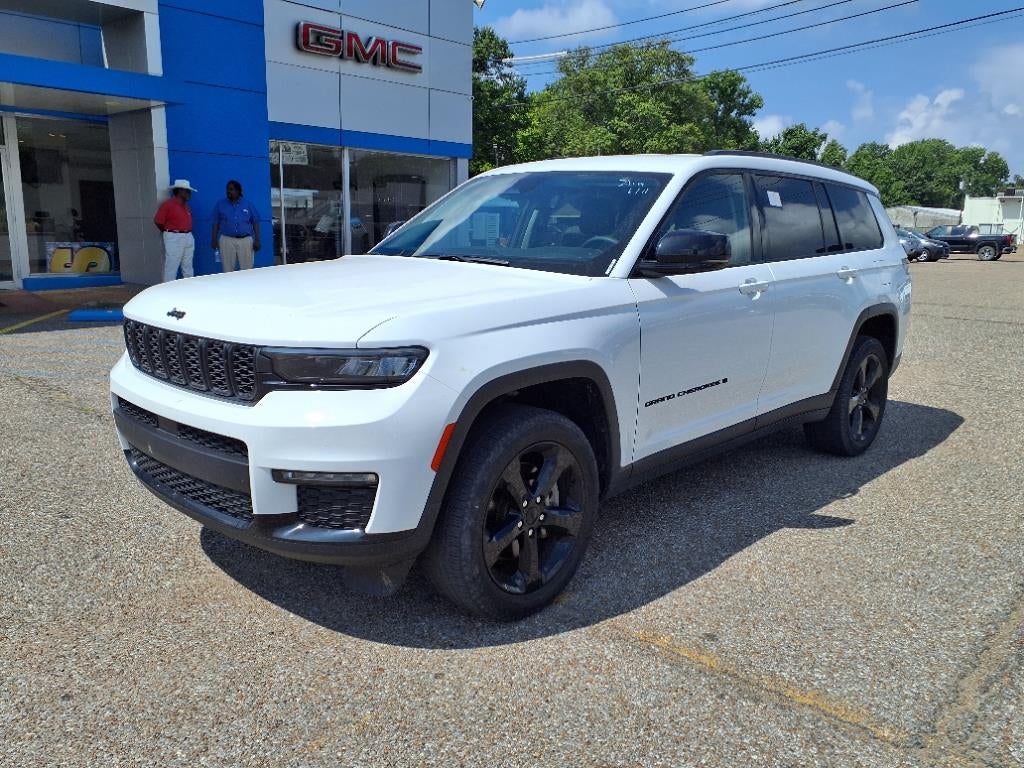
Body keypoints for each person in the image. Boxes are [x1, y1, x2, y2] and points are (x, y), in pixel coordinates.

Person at [211, 180, 261, 272]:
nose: (228, 192)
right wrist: (214, 239)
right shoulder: (220, 204)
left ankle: (245, 286)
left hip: (245, 240)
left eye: (231, 189)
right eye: (227, 189)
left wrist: (257, 239)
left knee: (247, 270)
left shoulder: (248, 204)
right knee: (227, 270)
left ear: (238, 191)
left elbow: (256, 222)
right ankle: (229, 286)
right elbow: (215, 223)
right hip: (226, 240)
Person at [154, 180, 197, 282]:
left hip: (188, 236)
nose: (189, 193)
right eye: (187, 191)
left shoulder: (186, 207)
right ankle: (168, 292)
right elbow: (158, 221)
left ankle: (189, 288)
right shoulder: (168, 205)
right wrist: (169, 233)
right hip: (174, 236)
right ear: (180, 191)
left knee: (188, 266)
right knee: (172, 265)